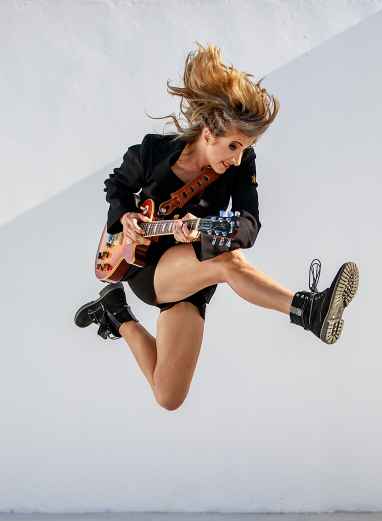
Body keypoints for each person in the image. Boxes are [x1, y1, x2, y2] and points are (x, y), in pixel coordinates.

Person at [74, 43, 359, 411]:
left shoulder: (241, 165)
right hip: (146, 267)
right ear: (208, 132)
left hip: (192, 273)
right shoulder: (153, 152)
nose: (238, 158)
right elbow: (117, 187)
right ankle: (308, 310)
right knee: (227, 262)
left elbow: (249, 226)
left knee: (169, 396)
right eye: (234, 145)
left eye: (246, 147)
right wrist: (125, 217)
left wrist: (203, 229)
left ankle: (115, 313)